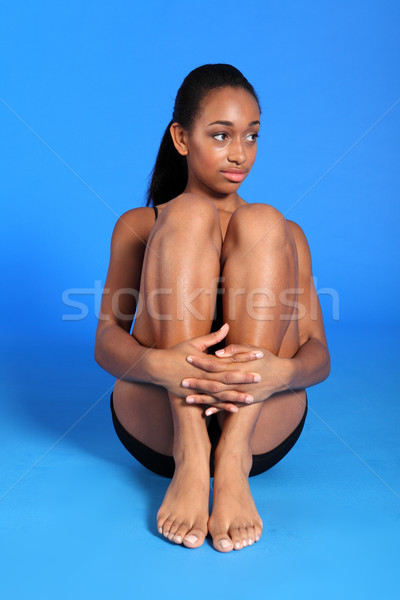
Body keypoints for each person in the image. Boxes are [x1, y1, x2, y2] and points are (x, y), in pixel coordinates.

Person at [94, 64, 330, 553]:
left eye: (251, 136)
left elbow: (317, 355)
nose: (239, 154)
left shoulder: (287, 236)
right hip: (161, 418)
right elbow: (106, 341)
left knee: (266, 220)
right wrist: (158, 363)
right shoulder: (140, 224)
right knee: (189, 213)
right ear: (181, 138)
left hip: (260, 420)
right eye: (221, 136)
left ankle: (231, 461)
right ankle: (193, 448)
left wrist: (279, 373)